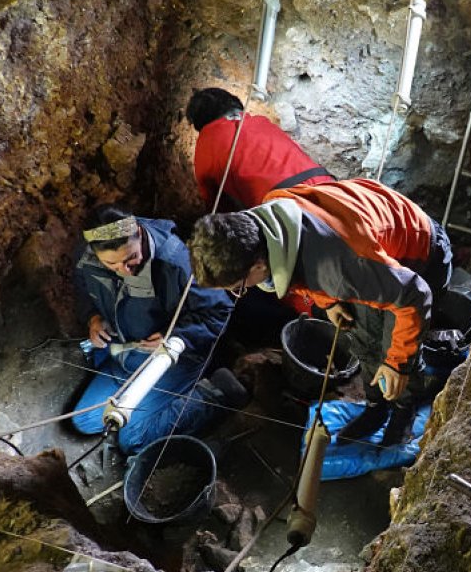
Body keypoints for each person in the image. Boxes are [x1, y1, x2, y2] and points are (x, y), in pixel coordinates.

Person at [187, 179, 453, 446]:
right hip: (374, 258)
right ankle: (376, 407)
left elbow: (414, 294)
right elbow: (302, 260)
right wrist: (328, 302)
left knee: (396, 352)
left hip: (420, 260)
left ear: (257, 265)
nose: (240, 291)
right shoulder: (268, 219)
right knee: (365, 342)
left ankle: (403, 412)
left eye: (238, 287)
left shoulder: (336, 268)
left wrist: (398, 364)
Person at [71, 205, 249, 454]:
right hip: (126, 354)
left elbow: (218, 311)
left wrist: (175, 337)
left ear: (140, 234)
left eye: (131, 258)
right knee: (85, 420)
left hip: (174, 359)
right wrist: (92, 317)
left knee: (132, 439)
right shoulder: (86, 254)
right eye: (112, 264)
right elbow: (82, 289)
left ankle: (215, 393)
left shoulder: (178, 262)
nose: (126, 270)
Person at [187, 87, 335, 211]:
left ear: (200, 123)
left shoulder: (206, 143)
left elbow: (216, 208)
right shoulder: (262, 122)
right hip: (331, 191)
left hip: (287, 210)